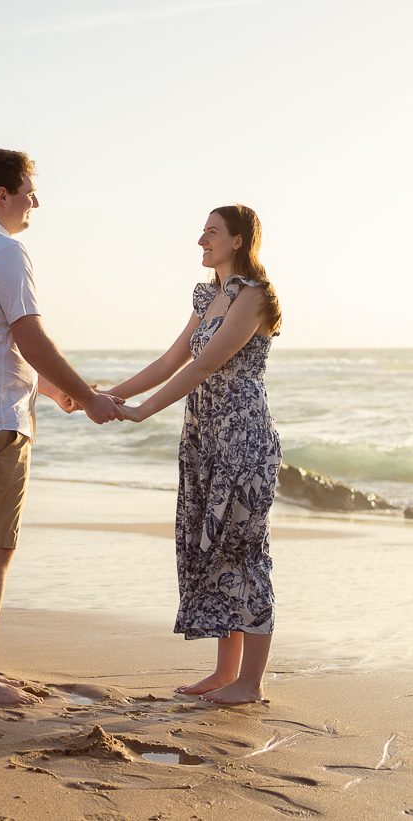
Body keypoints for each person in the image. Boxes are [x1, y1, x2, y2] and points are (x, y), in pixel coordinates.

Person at [0, 149, 124, 706]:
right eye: (29, 190)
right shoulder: (7, 251)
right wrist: (88, 396)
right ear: (2, 195)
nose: (36, 201)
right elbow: (29, 336)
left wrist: (53, 389)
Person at [110, 204, 282, 705]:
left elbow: (207, 363)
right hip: (204, 438)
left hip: (241, 439)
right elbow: (172, 359)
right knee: (209, 546)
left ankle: (250, 683)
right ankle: (224, 673)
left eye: (211, 232)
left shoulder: (254, 296)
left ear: (237, 240)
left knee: (244, 550)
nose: (201, 240)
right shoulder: (209, 296)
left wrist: (143, 412)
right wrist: (111, 395)